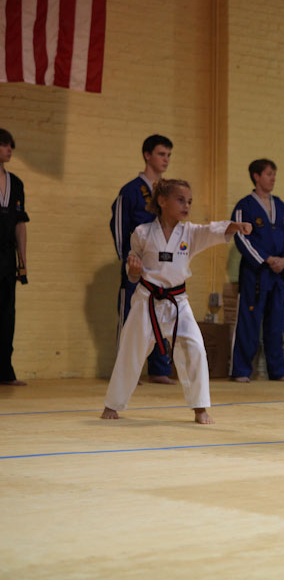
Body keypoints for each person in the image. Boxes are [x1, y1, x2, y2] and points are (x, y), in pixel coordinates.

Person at [101, 179, 252, 423]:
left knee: (195, 348)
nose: (187, 206)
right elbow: (132, 273)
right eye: (181, 200)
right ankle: (113, 404)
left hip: (178, 302)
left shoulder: (190, 233)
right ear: (162, 201)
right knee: (130, 350)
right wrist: (134, 270)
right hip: (146, 301)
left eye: (189, 201)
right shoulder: (142, 233)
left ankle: (200, 407)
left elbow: (212, 230)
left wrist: (235, 226)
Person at [110, 135, 175, 384]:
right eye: (161, 154)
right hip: (136, 266)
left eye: (168, 155)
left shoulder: (169, 193)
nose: (166, 159)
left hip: (162, 268)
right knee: (131, 317)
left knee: (161, 315)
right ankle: (126, 371)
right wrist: (127, 259)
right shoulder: (130, 191)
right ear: (147, 155)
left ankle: (159, 369)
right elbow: (118, 226)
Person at [230, 159, 284, 382]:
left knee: (277, 322)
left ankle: (278, 371)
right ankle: (241, 370)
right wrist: (266, 259)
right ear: (256, 176)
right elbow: (241, 238)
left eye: (274, 174)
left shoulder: (282, 207)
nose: (273, 178)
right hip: (255, 274)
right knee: (249, 320)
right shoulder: (244, 206)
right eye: (269, 174)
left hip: (278, 274)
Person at [0, 128, 28, 386]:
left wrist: (23, 261)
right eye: (5, 145)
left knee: (7, 314)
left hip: (7, 258)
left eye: (11, 145)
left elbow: (20, 224)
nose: (10, 150)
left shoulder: (16, 183)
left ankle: (5, 371)